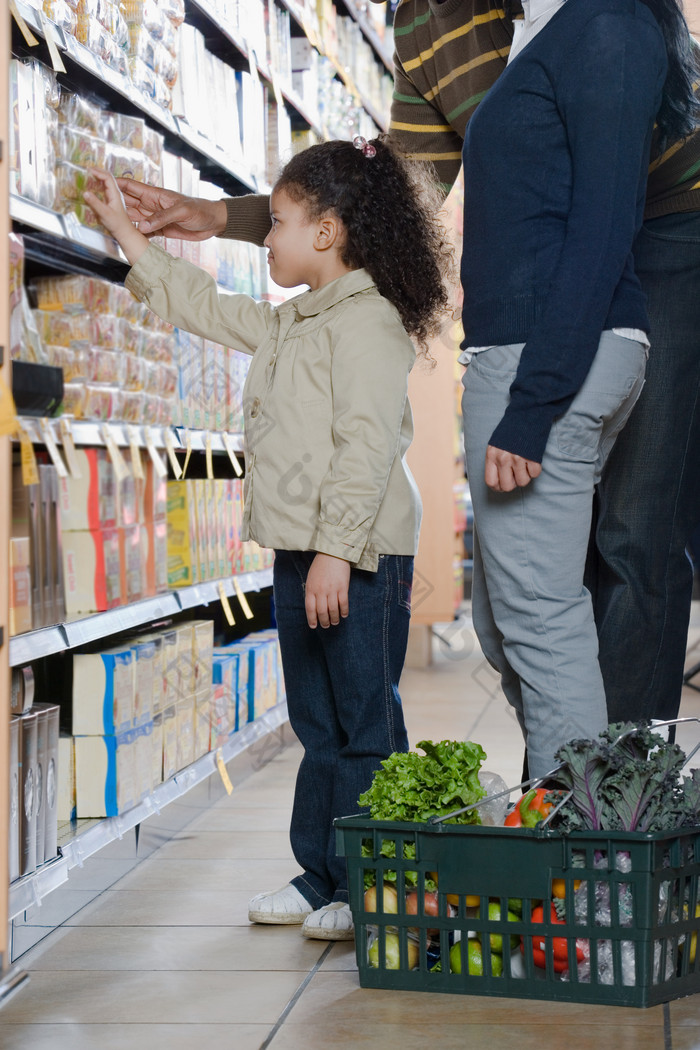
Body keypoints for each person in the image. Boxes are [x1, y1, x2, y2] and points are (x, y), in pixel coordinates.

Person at [117, 0, 700, 733]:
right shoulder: (426, 23)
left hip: (669, 227)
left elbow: (605, 207)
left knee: (633, 531)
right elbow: (387, 196)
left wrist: (537, 396)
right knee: (525, 590)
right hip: (542, 275)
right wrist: (223, 217)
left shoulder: (601, 24)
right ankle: (566, 782)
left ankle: (623, 798)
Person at [84, 137, 450, 939]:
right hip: (301, 550)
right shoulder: (298, 320)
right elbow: (210, 309)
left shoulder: (370, 325)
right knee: (318, 724)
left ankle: (370, 883)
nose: (267, 236)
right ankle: (321, 874)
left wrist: (334, 553)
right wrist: (133, 242)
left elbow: (365, 448)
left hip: (356, 554)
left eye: (276, 222)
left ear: (326, 233)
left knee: (364, 725)